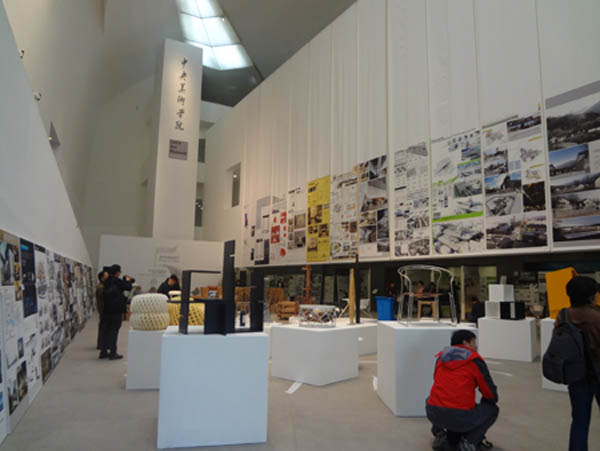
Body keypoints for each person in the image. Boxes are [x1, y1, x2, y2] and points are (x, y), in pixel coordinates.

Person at [426, 329, 498, 451]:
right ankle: (470, 442)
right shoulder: (474, 360)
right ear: (465, 342)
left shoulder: (441, 358)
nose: (476, 346)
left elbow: (437, 380)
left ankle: (440, 434)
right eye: (473, 342)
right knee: (492, 409)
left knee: (433, 398)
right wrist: (490, 400)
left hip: (433, 413)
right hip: (460, 415)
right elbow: (489, 392)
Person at [557, 276, 600, 451]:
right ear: (591, 297)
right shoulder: (597, 316)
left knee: (580, 421)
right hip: (598, 373)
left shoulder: (563, 315)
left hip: (576, 374)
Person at [99, 265, 133, 360]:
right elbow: (128, 287)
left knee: (105, 331)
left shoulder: (106, 281)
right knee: (114, 331)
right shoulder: (117, 281)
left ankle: (103, 352)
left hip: (106, 310)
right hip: (116, 311)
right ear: (117, 272)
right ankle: (113, 353)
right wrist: (128, 281)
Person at [95, 268, 109, 349]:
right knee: (103, 327)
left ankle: (101, 344)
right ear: (102, 278)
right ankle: (101, 344)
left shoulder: (101, 286)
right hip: (103, 310)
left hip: (103, 309)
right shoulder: (101, 287)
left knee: (103, 327)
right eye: (106, 276)